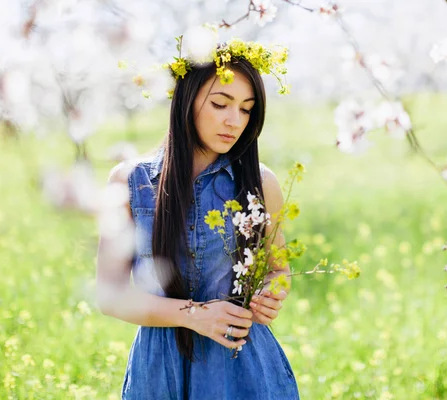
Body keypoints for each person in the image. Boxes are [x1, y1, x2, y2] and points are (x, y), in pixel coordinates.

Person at [96, 40, 299, 399]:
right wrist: (193, 314)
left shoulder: (260, 182)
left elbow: (278, 271)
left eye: (246, 110)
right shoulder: (130, 182)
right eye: (220, 103)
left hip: (243, 369)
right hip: (160, 373)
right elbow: (109, 295)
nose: (233, 120)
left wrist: (272, 293)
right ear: (187, 100)